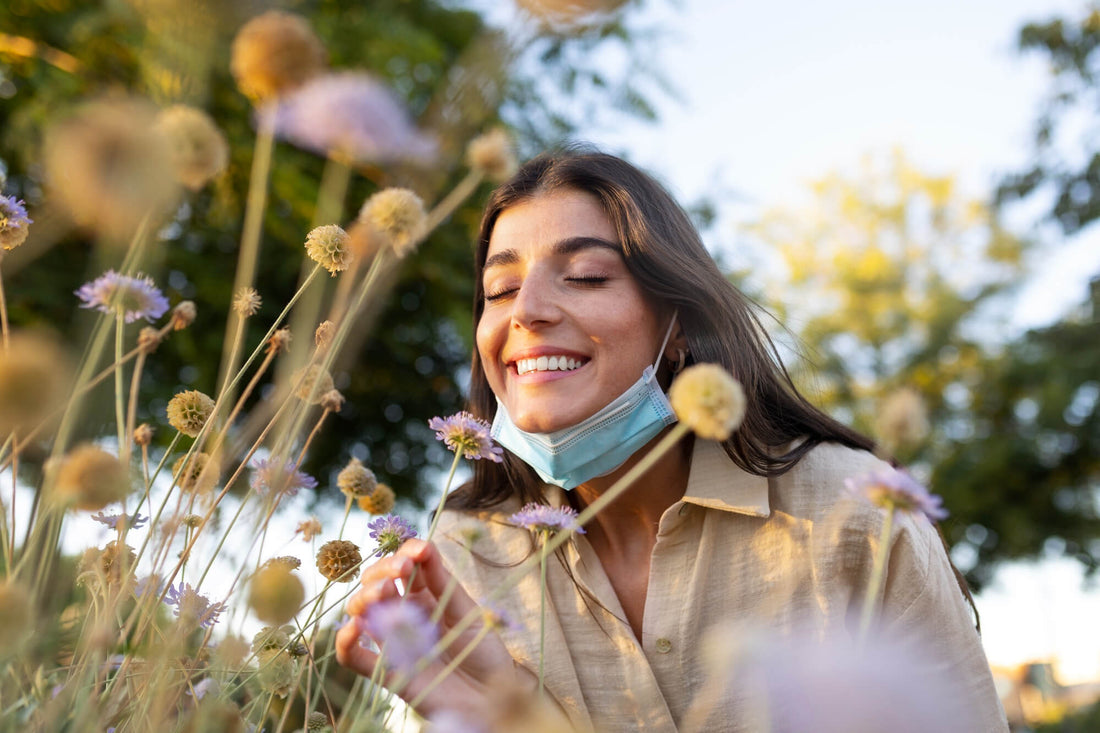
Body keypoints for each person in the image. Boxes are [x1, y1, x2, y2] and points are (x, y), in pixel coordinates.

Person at [336, 149, 1008, 731]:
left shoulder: (858, 512)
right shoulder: (461, 551)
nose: (529, 310)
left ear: (678, 323)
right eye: (501, 287)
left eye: (587, 275)